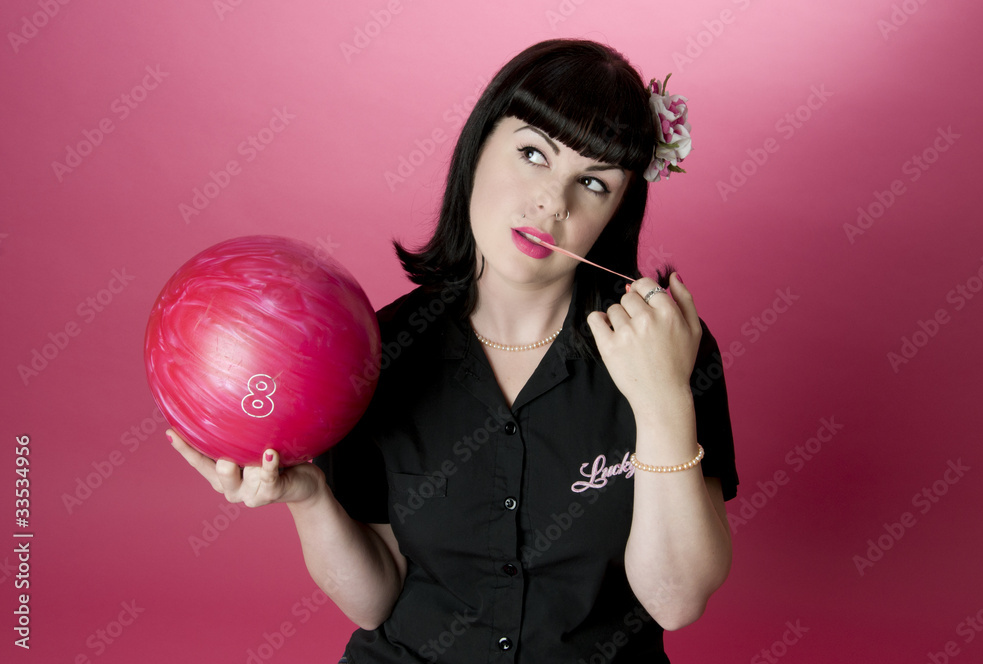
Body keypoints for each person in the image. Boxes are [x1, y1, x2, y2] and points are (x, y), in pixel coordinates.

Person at [169, 38, 738, 663]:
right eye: (532, 154)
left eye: (593, 183)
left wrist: (661, 402)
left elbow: (676, 601)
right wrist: (309, 497)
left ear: (618, 210)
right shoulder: (380, 351)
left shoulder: (664, 347)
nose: (554, 202)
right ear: (477, 148)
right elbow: (375, 600)